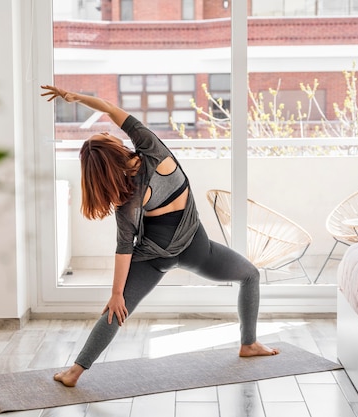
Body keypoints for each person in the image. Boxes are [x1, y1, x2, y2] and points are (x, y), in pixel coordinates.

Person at [40, 85, 279, 387]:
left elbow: (125, 248)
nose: (111, 133)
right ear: (114, 148)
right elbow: (111, 109)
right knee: (250, 275)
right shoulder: (150, 146)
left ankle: (74, 372)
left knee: (117, 310)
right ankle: (249, 344)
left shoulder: (126, 197)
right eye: (106, 136)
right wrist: (77, 97)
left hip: (154, 257)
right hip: (195, 247)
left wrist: (116, 294)